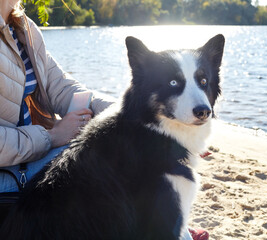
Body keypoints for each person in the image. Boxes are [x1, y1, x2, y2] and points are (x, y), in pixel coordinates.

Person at [0, 1, 208, 239]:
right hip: (6, 172)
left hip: (26, 155)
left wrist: (135, 118)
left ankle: (166, 222)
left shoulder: (22, 26)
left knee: (116, 146)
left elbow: (64, 88)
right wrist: (50, 136)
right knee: (103, 159)